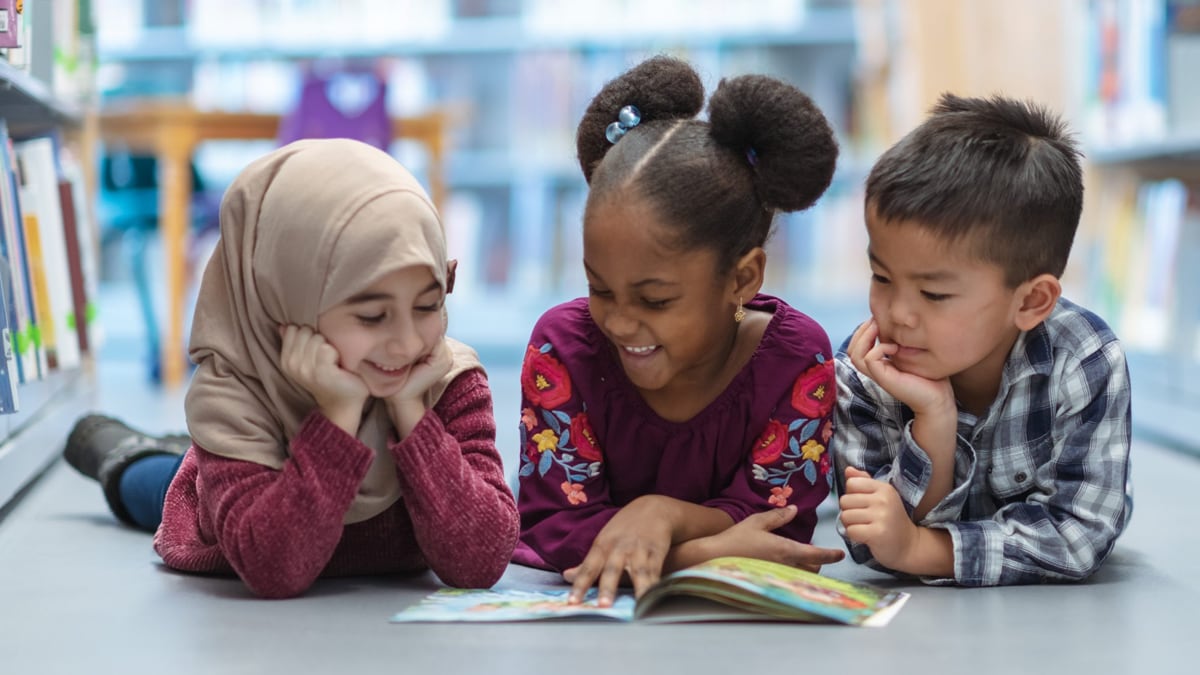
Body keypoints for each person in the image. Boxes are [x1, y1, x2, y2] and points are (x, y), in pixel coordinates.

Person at [63, 139, 519, 598]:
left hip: (285, 465)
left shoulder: (446, 379)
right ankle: (121, 450)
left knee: (194, 459)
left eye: (428, 304)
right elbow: (275, 569)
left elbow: (481, 561)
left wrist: (412, 414)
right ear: (287, 296)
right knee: (153, 483)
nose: (405, 344)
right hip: (225, 512)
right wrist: (339, 416)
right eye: (371, 316)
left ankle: (182, 450)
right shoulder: (235, 395)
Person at [512, 55, 846, 607]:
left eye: (656, 299)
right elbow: (554, 527)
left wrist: (659, 513)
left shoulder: (797, 359)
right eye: (600, 288)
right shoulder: (563, 347)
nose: (619, 321)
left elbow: (776, 528)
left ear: (742, 278)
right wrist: (695, 553)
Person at [833, 93, 1132, 586]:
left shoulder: (1084, 359)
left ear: (1032, 301)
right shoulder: (864, 367)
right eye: (881, 277)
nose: (897, 314)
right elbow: (870, 542)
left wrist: (921, 549)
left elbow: (1079, 536)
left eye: (933, 293)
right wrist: (934, 419)